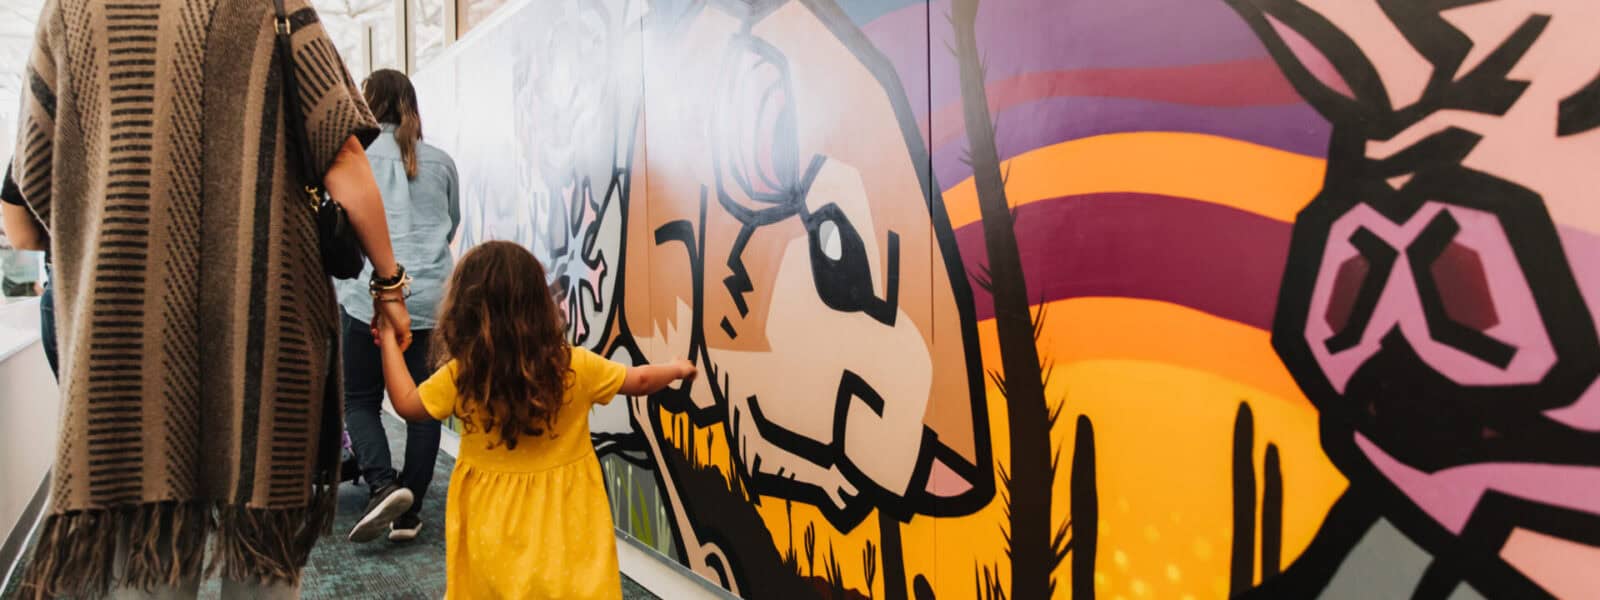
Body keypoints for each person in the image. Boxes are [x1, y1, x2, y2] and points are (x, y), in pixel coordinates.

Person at [5, 0, 411, 597]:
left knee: (147, 551)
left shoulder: (68, 13)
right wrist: (388, 287)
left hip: (124, 345)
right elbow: (343, 160)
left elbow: (28, 202)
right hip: (263, 333)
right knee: (262, 547)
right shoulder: (274, 7)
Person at [375, 241, 696, 599]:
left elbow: (406, 404)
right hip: (566, 508)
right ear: (540, 306)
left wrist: (388, 340)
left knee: (496, 583)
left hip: (491, 512)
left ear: (463, 310)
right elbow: (639, 381)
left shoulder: (464, 375)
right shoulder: (573, 366)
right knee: (568, 582)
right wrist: (676, 368)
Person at [337, 68, 461, 544]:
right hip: (432, 295)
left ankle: (383, 485)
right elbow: (450, 225)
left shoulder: (355, 158)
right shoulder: (443, 161)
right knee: (425, 404)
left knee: (360, 398)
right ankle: (409, 508)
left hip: (367, 295)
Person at [1, 165, 55, 376]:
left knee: (85, 405)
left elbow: (22, 237)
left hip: (71, 282)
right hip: (160, 283)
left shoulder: (53, 132)